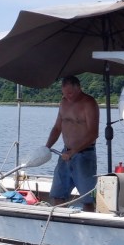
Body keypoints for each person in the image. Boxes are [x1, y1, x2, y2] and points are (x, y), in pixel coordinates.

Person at [45, 75, 99, 212]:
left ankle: (88, 221)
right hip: (65, 154)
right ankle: (60, 220)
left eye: (70, 93)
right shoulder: (63, 103)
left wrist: (74, 151)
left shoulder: (89, 103)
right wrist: (47, 147)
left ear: (79, 88)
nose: (67, 96)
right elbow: (57, 128)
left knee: (87, 199)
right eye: (64, 93)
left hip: (85, 155)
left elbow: (93, 133)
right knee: (57, 195)